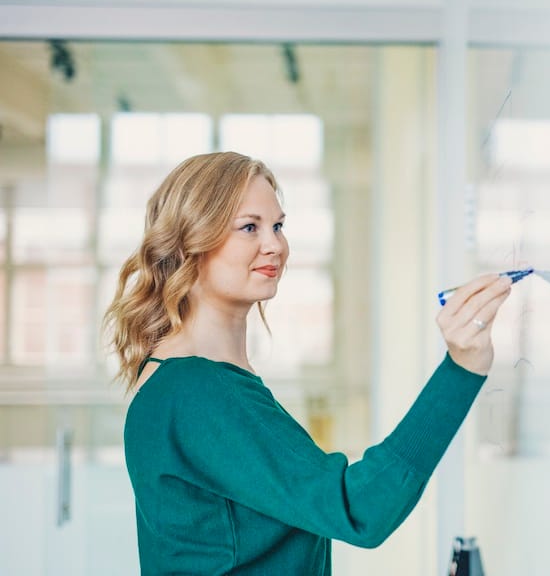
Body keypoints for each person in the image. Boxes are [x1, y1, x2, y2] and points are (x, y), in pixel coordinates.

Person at [104, 151, 512, 575]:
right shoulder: (197, 390)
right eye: (249, 227)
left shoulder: (178, 377)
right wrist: (461, 368)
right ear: (192, 242)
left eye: (278, 226)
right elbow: (361, 510)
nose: (274, 245)